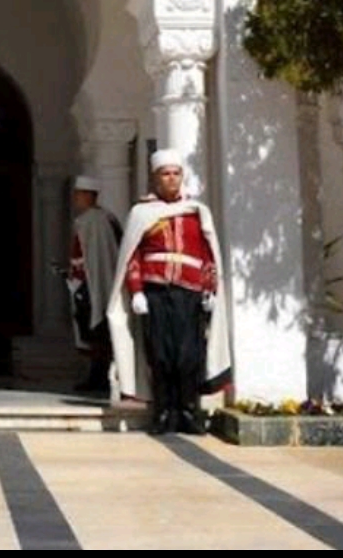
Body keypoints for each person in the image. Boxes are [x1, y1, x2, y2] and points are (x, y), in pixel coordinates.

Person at [105, 148, 232, 434]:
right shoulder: (141, 213)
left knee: (188, 355)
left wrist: (210, 288)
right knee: (161, 355)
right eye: (166, 174)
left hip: (190, 292)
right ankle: (163, 412)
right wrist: (136, 290)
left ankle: (187, 410)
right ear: (155, 178)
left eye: (176, 174)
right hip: (156, 292)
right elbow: (132, 255)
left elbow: (209, 253)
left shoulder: (196, 211)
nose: (171, 179)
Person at [66, 175, 123, 394]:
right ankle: (95, 376)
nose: (76, 198)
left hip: (94, 283)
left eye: (79, 194)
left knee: (97, 331)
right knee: (91, 329)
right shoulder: (102, 218)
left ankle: (99, 378)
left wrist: (80, 275)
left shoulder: (94, 221)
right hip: (89, 281)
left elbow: (91, 255)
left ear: (89, 195)